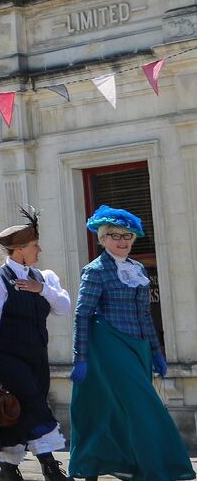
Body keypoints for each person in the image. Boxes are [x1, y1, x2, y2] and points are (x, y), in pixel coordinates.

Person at [67, 205, 194, 481]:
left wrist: (156, 350)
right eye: (115, 235)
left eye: (127, 236)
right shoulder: (95, 270)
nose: (122, 241)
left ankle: (114, 464)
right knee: (143, 405)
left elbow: (145, 314)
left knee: (115, 409)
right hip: (108, 344)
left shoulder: (137, 269)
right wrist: (81, 356)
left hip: (138, 348)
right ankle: (159, 468)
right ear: (103, 238)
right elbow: (82, 314)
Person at [0, 207, 72, 481]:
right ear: (19, 250)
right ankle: (50, 466)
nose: (39, 250)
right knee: (33, 404)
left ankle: (8, 467)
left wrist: (43, 290)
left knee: (17, 409)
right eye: (35, 245)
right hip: (8, 356)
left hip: (37, 355)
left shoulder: (43, 278)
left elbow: (63, 307)